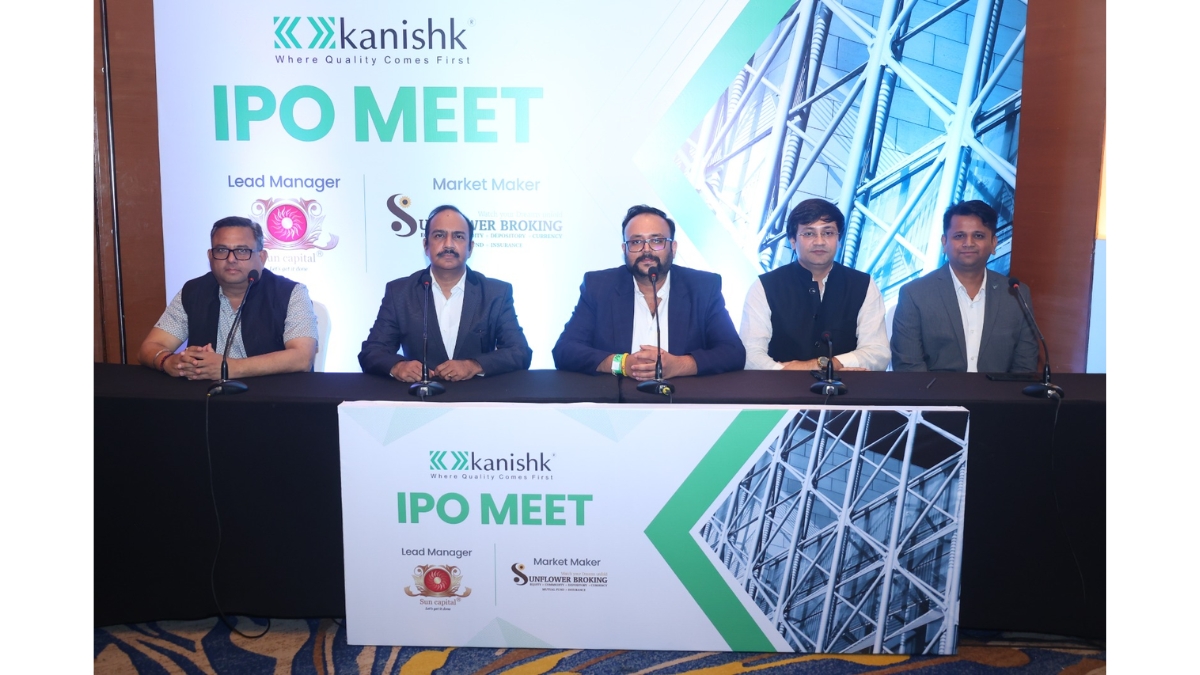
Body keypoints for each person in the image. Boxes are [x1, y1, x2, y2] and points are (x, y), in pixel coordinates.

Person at [552, 205, 745, 379]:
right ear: (624, 249)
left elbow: (733, 352)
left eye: (657, 240)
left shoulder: (703, 287)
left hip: (682, 400)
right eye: (636, 242)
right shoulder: (599, 287)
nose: (646, 250)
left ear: (673, 248)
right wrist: (622, 364)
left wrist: (680, 365)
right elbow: (565, 350)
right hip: (618, 400)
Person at [359, 205, 532, 382]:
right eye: (439, 235)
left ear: (470, 248)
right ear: (426, 245)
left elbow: (519, 352)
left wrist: (473, 365)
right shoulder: (400, 293)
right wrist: (398, 366)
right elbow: (372, 351)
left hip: (477, 395)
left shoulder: (495, 294)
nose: (448, 244)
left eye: (458, 236)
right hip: (418, 396)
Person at [138, 216, 318, 379]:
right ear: (210, 256)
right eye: (222, 250)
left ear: (262, 257)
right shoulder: (193, 292)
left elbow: (302, 357)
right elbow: (150, 346)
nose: (231, 259)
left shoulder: (291, 293)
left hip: (271, 398)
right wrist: (167, 361)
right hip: (206, 397)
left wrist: (228, 368)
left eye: (242, 251)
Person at [740, 198, 890, 371]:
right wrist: (782, 373)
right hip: (778, 387)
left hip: (846, 387)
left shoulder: (863, 285)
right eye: (809, 234)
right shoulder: (765, 286)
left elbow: (878, 352)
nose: (819, 241)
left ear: (839, 240)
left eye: (828, 233)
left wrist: (825, 365)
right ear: (792, 241)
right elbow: (750, 354)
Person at [890, 200, 1038, 372]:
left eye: (978, 236)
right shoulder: (915, 294)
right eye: (959, 236)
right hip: (934, 390)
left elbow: (1024, 367)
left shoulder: (1015, 294)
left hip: (998, 390)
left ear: (993, 243)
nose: (969, 243)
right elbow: (908, 366)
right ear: (944, 242)